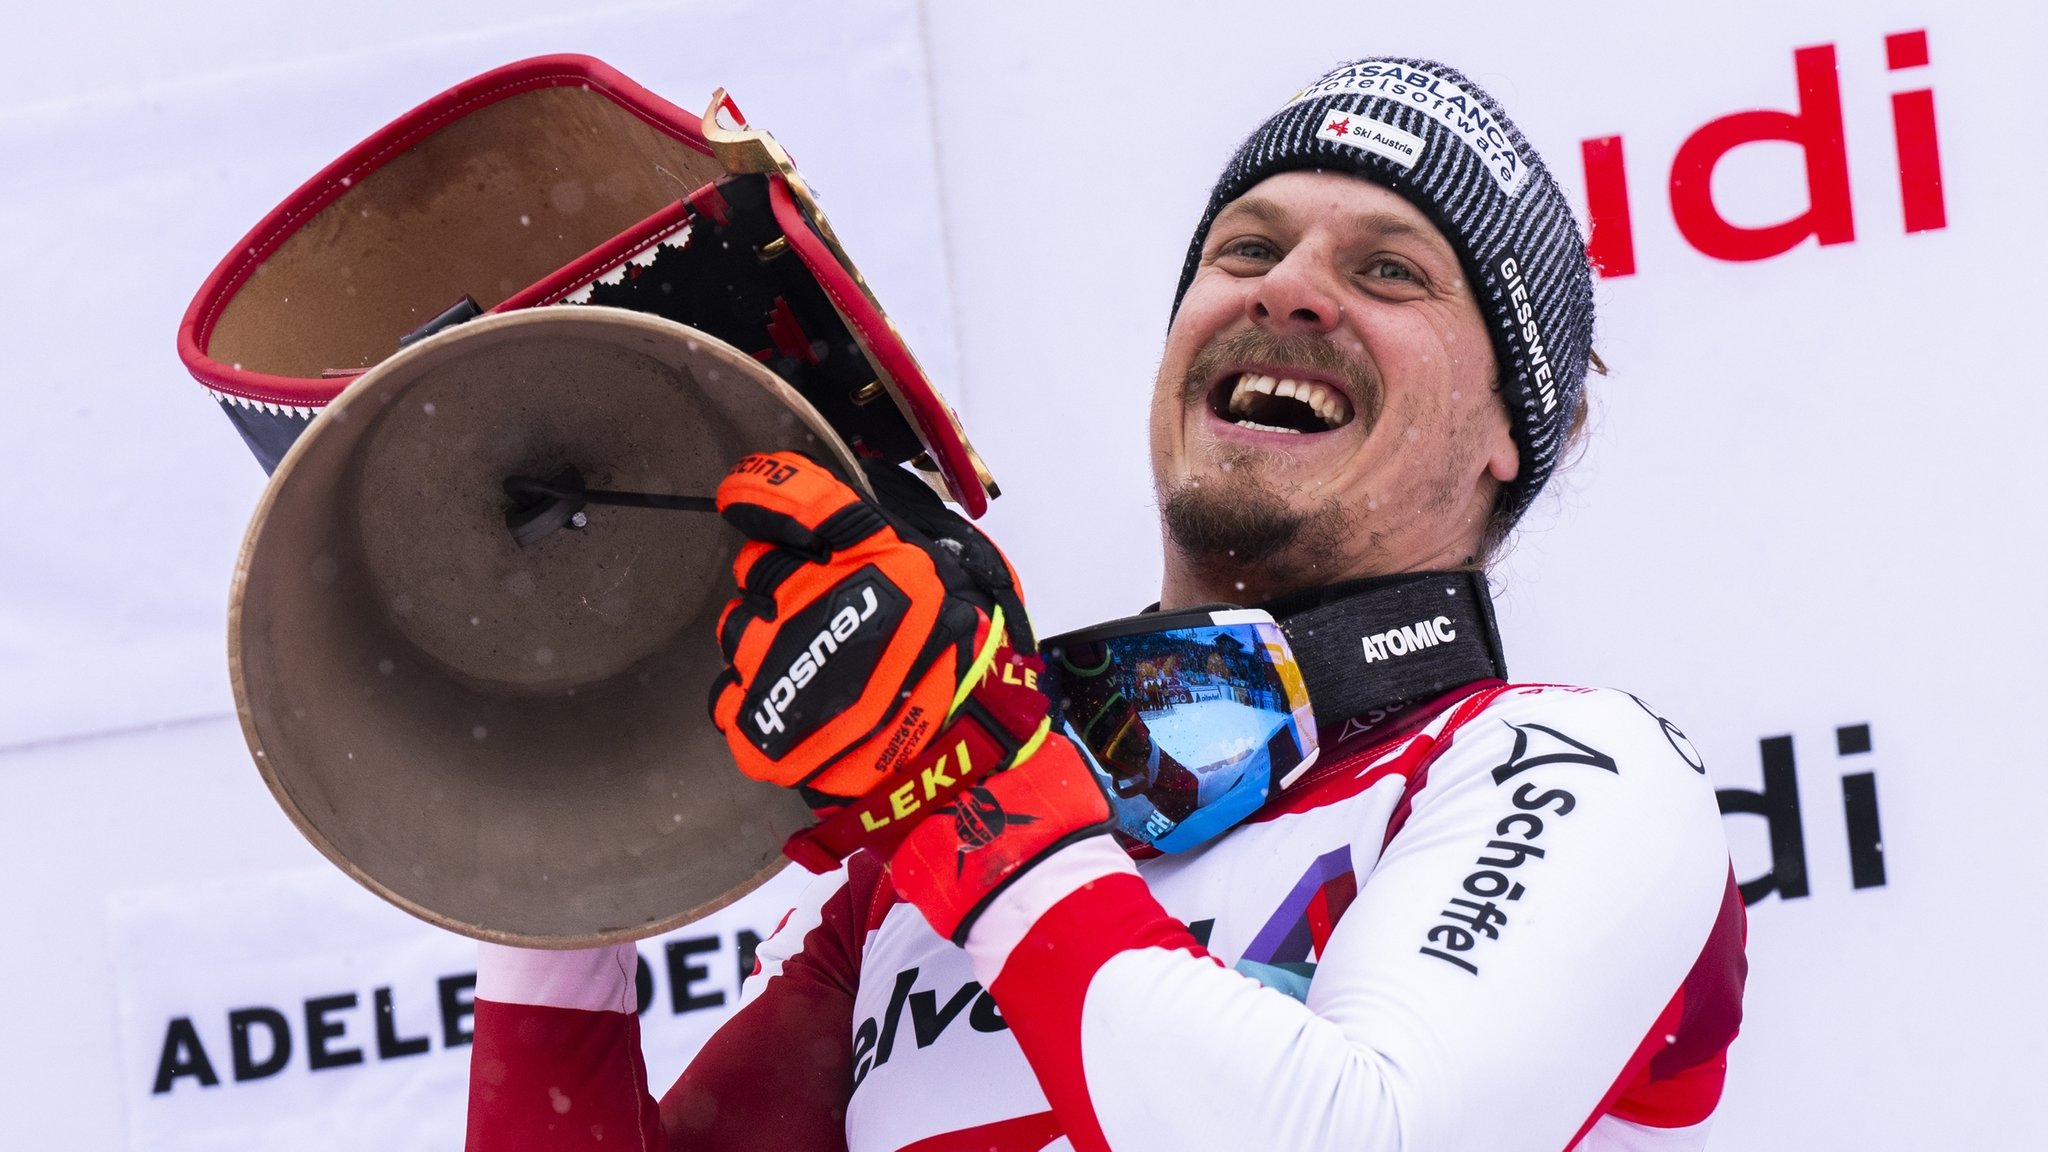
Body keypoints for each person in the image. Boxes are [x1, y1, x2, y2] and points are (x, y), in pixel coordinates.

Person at [464, 57, 1744, 1152]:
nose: (1288, 287)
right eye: (1245, 247)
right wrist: (555, 809)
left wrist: (971, 787)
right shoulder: (905, 879)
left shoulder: (1565, 770)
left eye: (1391, 272)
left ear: (1506, 433)